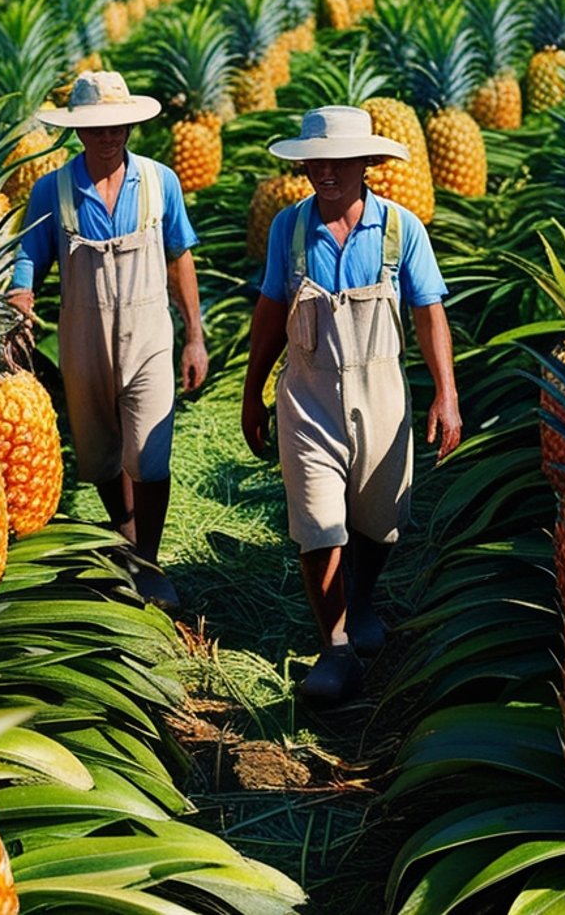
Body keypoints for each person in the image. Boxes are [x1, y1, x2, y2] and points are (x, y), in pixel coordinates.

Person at [241, 105, 463, 704]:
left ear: (366, 163)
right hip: (308, 394)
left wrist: (446, 391)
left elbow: (428, 312)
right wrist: (252, 390)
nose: (326, 172)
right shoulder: (289, 230)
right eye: (317, 161)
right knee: (319, 523)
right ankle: (334, 647)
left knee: (380, 520)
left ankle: (360, 596)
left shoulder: (400, 230)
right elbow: (268, 316)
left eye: (340, 162)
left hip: (382, 389)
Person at [8, 71, 206, 609]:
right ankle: (123, 533)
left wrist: (195, 336)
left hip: (148, 333)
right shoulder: (54, 190)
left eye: (117, 126)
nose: (109, 136)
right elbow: (31, 255)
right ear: (78, 132)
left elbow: (178, 256)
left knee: (151, 455)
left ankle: (150, 561)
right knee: (98, 451)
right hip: (83, 336)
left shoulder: (160, 180)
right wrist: (21, 297)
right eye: (96, 128)